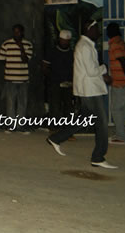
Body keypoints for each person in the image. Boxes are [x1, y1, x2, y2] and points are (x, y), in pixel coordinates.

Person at [47, 19, 118, 169]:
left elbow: (90, 70)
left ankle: (56, 138)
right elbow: (92, 71)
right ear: (89, 29)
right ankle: (98, 157)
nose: (99, 32)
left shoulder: (85, 45)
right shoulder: (85, 46)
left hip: (89, 89)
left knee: (84, 118)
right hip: (90, 90)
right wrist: (104, 68)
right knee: (102, 124)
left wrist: (101, 73)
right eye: (96, 29)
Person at [0, 24, 33, 133]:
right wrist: (10, 67)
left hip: (23, 79)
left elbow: (26, 60)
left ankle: (20, 126)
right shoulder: (6, 44)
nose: (16, 34)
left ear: (22, 32)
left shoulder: (27, 44)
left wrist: (21, 47)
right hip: (10, 78)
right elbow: (1, 59)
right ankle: (11, 126)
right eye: (15, 32)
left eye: (18, 32)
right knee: (10, 102)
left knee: (22, 103)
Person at [42, 29, 74, 132]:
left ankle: (67, 128)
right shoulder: (52, 51)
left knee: (68, 107)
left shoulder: (72, 53)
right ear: (59, 40)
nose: (65, 42)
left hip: (68, 83)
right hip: (55, 83)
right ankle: (54, 127)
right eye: (63, 40)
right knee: (55, 106)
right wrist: (53, 79)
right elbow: (45, 67)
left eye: (67, 40)